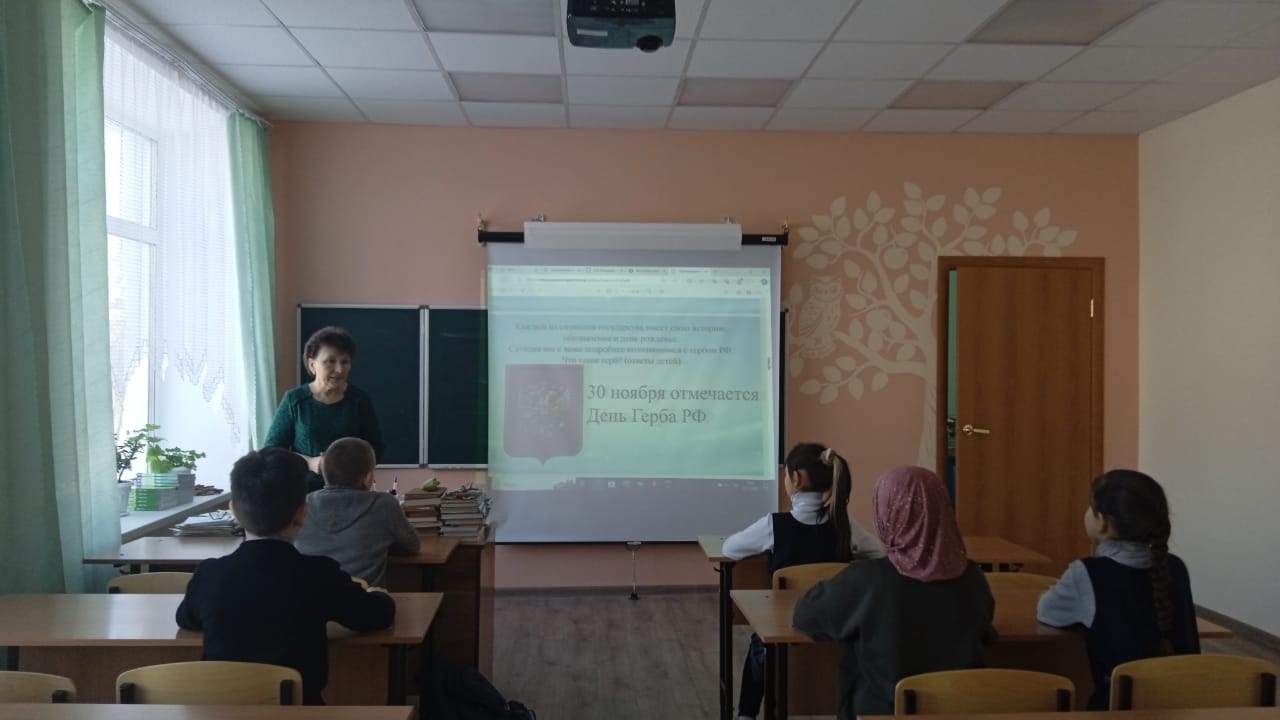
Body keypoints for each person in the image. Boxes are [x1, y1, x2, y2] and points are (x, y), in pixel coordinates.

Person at [175, 447, 395, 705]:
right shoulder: (318, 574)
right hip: (299, 711)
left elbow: (186, 618)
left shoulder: (209, 574)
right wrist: (379, 595)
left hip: (222, 712)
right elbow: (376, 616)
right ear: (302, 513)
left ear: (233, 511)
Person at [792, 465, 994, 720]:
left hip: (881, 713)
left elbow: (806, 615)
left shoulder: (867, 580)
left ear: (887, 513)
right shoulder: (973, 578)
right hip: (960, 713)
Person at [722, 442, 883, 720]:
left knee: (758, 644)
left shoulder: (774, 525)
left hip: (783, 634)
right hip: (837, 633)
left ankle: (746, 715)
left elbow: (730, 548)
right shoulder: (845, 524)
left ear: (795, 478)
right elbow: (879, 553)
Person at [1037, 469, 1199, 709]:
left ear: (1102, 521)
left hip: (1116, 708)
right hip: (1182, 706)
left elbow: (1047, 611)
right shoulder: (1175, 567)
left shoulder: (1087, 573)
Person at [266, 326, 384, 491]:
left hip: (350, 492)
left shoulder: (359, 400)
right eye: (330, 361)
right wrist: (309, 462)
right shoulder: (295, 400)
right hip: (303, 492)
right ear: (312, 364)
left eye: (345, 362)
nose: (339, 369)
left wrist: (347, 463)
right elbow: (271, 452)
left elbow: (376, 448)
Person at [294, 436, 420, 587]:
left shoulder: (304, 504)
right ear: (367, 477)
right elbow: (412, 546)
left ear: (324, 472)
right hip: (363, 598)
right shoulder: (384, 504)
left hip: (310, 598)